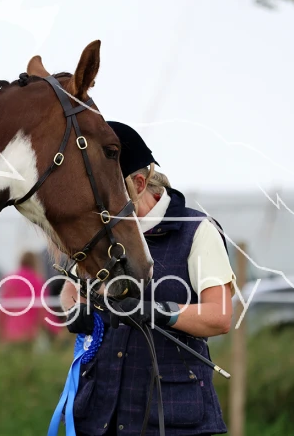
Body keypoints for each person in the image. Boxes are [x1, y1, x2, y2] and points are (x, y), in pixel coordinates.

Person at [60, 121, 235, 436]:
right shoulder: (99, 230)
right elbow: (71, 290)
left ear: (139, 183)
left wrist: (157, 311)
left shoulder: (198, 230)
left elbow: (219, 317)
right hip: (99, 415)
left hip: (171, 415)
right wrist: (77, 310)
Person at [0, 251, 61, 344]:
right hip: (28, 334)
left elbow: (2, 309)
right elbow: (43, 311)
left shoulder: (8, 280)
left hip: (9, 334)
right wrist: (57, 331)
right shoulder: (37, 281)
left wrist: (1, 333)